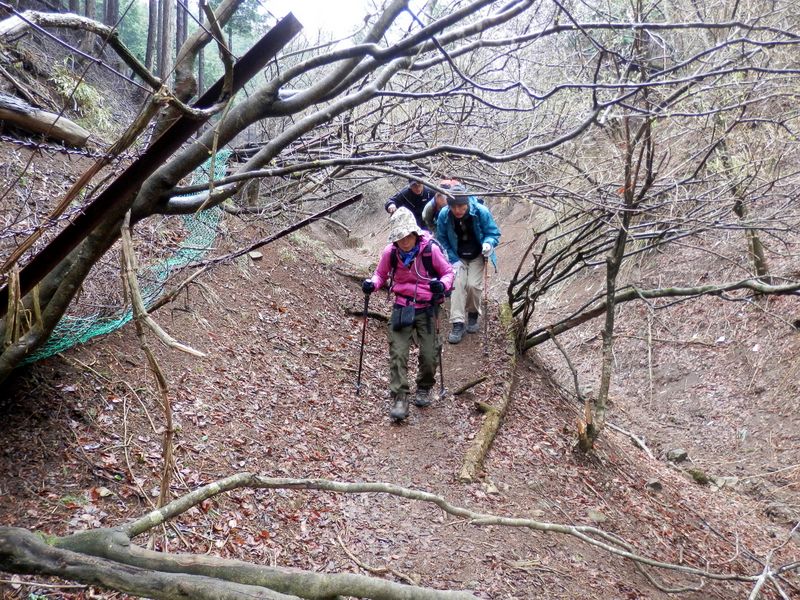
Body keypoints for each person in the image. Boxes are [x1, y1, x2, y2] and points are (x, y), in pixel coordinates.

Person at [362, 207, 454, 421]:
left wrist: (442, 285)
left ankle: (424, 387)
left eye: (407, 236)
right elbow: (380, 275)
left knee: (430, 354)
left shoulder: (430, 250)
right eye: (400, 237)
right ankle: (400, 397)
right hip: (402, 306)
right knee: (398, 353)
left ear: (415, 233)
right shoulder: (390, 252)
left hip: (427, 307)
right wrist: (372, 284)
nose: (404, 241)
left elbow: (448, 272)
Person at [436, 184, 501, 344]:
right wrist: (453, 259)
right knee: (457, 285)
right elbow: (441, 238)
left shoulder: (480, 212)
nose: (457, 210)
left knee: (472, 285)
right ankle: (457, 323)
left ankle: (473, 314)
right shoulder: (444, 214)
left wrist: (488, 243)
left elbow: (493, 233)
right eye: (453, 207)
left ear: (467, 203)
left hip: (478, 255)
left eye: (461, 206)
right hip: (457, 256)